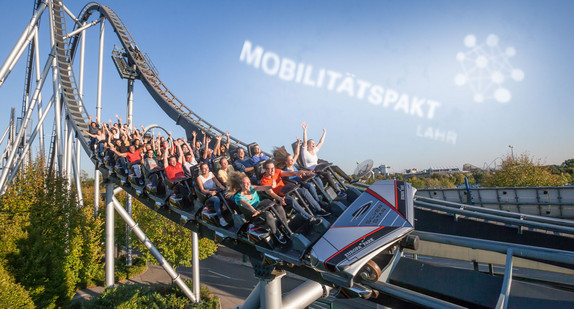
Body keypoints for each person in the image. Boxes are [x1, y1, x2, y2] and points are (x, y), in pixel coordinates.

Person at [228, 172, 288, 245]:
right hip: (253, 214)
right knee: (268, 214)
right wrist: (253, 210)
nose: (248, 185)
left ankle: (285, 227)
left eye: (249, 182)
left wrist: (271, 186)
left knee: (278, 207)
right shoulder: (238, 196)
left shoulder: (252, 188)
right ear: (241, 185)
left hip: (261, 207)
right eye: (245, 183)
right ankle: (276, 233)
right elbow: (246, 205)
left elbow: (262, 187)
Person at [259, 160, 325, 224]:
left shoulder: (276, 171)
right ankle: (310, 218)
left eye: (273, 168)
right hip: (279, 196)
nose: (272, 170)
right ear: (265, 170)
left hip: (287, 190)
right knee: (291, 200)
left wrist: (298, 172)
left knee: (303, 191)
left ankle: (318, 209)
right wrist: (279, 198)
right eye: (270, 169)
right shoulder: (264, 181)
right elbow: (271, 193)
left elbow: (289, 173)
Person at [163, 136, 193, 209]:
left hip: (184, 180)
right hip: (176, 184)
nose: (173, 162)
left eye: (174, 161)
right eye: (172, 161)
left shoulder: (178, 164)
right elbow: (165, 159)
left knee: (193, 183)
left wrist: (179, 146)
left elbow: (181, 155)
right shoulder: (167, 167)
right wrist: (167, 148)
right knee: (183, 190)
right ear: (169, 162)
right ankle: (188, 205)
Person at [197, 162, 228, 227]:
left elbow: (217, 182)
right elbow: (202, 190)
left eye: (207, 168)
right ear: (201, 170)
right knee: (216, 200)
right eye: (204, 168)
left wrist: (221, 186)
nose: (206, 170)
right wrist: (210, 192)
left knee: (227, 194)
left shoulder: (211, 174)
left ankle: (226, 208)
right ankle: (220, 218)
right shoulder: (199, 178)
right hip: (208, 194)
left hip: (216, 190)